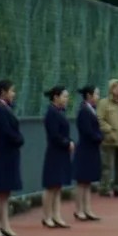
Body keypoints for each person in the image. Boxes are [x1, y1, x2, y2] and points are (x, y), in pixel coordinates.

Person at [0, 79, 25, 236]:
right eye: (11, 91)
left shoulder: (6, 109)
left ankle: (5, 225)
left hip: (10, 154)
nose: (13, 94)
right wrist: (18, 139)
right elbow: (6, 132)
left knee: (5, 193)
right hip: (3, 154)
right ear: (3, 92)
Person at [41, 85, 74, 228]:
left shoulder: (60, 112)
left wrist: (69, 142)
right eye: (64, 96)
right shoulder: (51, 113)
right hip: (54, 153)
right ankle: (47, 216)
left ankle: (57, 215)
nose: (67, 99)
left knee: (58, 186)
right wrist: (67, 143)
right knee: (51, 186)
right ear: (56, 97)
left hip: (62, 153)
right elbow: (54, 135)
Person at [72, 85, 103, 221]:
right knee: (82, 181)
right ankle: (79, 210)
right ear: (89, 96)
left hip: (91, 149)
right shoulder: (84, 111)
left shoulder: (91, 110)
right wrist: (99, 137)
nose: (98, 97)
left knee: (87, 181)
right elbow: (87, 131)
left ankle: (87, 208)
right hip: (85, 149)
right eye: (96, 94)